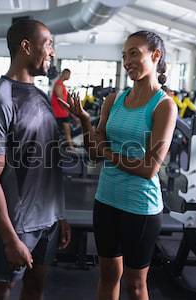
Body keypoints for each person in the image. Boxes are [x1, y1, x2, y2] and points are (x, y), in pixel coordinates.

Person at [59, 31, 177, 300]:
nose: (127, 61)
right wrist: (86, 122)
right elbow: (94, 154)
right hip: (106, 201)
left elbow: (150, 168)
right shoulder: (114, 100)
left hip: (140, 208)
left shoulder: (164, 106)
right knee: (108, 275)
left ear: (155, 55)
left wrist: (106, 151)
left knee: (135, 285)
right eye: (124, 55)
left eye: (134, 53)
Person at [0, 19, 71, 300]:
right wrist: (9, 238)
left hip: (48, 221)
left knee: (35, 288)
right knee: (0, 289)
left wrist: (60, 213)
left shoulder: (40, 96)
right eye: (48, 43)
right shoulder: (0, 100)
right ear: (26, 46)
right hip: (18, 225)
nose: (52, 52)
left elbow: (50, 163)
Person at [50, 68, 74, 148]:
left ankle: (70, 146)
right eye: (69, 75)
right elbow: (60, 99)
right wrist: (69, 109)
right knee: (62, 131)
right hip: (58, 113)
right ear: (65, 74)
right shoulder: (58, 84)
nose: (69, 77)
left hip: (62, 112)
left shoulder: (61, 84)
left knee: (67, 131)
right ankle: (69, 146)